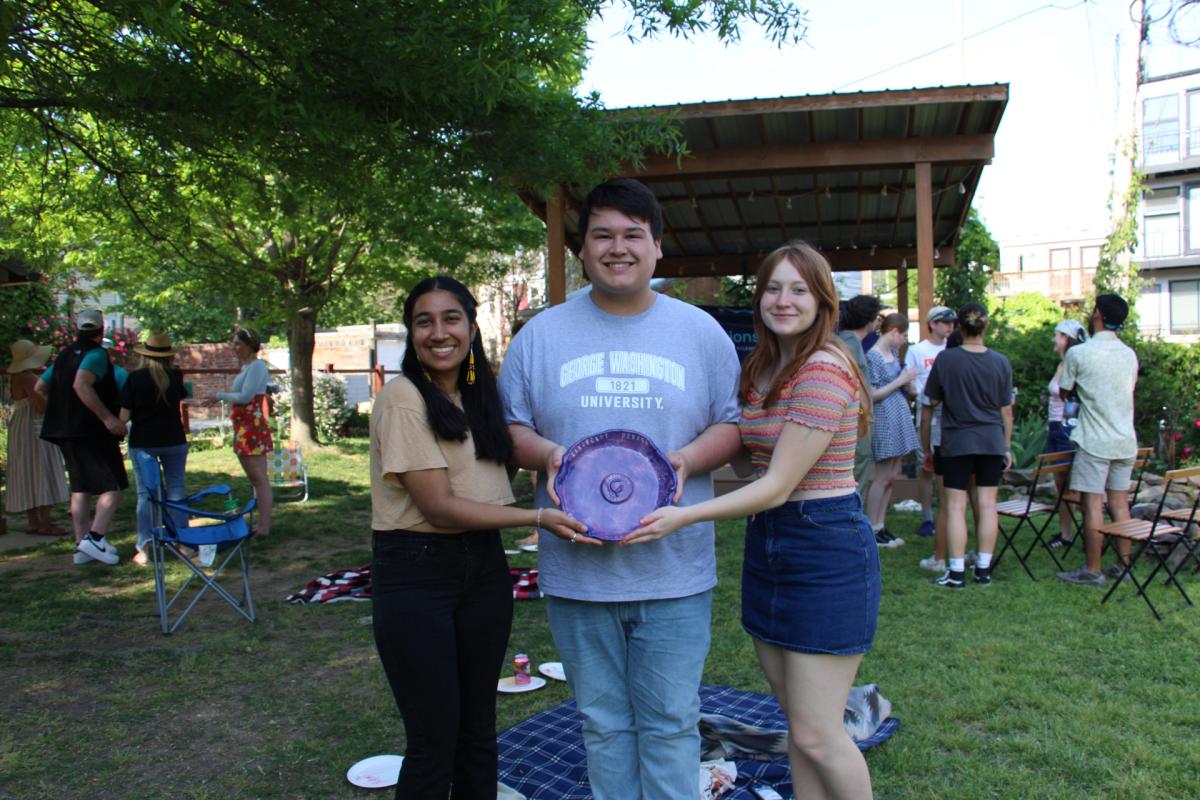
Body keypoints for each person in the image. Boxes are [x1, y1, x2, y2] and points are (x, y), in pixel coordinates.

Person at [499, 177, 742, 800]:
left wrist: (685, 460)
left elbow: (734, 423)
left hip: (676, 570)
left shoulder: (700, 333)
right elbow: (510, 428)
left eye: (634, 235)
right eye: (602, 234)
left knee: (669, 723)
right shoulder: (540, 336)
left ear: (657, 247)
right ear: (582, 249)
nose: (618, 247)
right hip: (578, 571)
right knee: (601, 724)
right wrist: (552, 454)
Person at [631, 241, 880, 800]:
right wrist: (675, 461)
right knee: (801, 726)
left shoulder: (823, 369)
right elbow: (747, 463)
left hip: (825, 547)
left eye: (799, 289)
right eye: (773, 288)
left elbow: (775, 485)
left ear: (822, 300)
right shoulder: (764, 369)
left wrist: (683, 515)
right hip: (771, 544)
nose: (784, 300)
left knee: (820, 734)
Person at [370, 275, 587, 799]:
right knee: (433, 740)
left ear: (471, 328)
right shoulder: (404, 397)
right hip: (417, 572)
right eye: (424, 321)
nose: (438, 332)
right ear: (410, 332)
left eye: (451, 319)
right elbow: (441, 509)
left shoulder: (479, 394)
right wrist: (538, 520)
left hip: (483, 567)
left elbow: (496, 477)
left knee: (478, 732)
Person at [923, 303, 1013, 589]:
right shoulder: (1001, 362)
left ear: (959, 327)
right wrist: (1007, 446)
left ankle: (957, 571)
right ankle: (983, 569)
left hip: (956, 441)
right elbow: (1006, 411)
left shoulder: (946, 360)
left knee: (955, 506)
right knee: (988, 505)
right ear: (985, 326)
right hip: (991, 441)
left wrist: (926, 446)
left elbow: (930, 404)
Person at [1055, 295, 1138, 588]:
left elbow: (1064, 393)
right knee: (1119, 501)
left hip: (1095, 441)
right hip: (1125, 439)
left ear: (1098, 315)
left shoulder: (1080, 353)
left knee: (1092, 505)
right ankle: (1123, 565)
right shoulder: (1129, 354)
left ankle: (1093, 569)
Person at [36, 309, 128, 566]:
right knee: (115, 485)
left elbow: (40, 388)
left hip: (64, 432)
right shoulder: (96, 354)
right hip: (90, 431)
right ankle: (95, 537)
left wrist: (62, 410)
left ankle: (81, 548)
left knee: (80, 487)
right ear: (101, 331)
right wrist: (108, 419)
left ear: (77, 329)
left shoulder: (65, 355)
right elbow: (81, 383)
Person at [119, 332, 189, 566]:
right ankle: (184, 543)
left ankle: (145, 547)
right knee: (176, 489)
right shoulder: (176, 376)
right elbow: (181, 398)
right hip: (174, 439)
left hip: (144, 442)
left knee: (146, 494)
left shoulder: (135, 379)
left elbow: (124, 415)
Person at [865, 313, 919, 547]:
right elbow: (872, 394)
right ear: (894, 332)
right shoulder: (873, 357)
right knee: (881, 476)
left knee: (892, 475)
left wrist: (908, 383)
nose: (905, 340)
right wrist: (900, 381)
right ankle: (870, 526)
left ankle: (881, 524)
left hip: (898, 414)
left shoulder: (894, 353)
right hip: (884, 417)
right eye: (904, 335)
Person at [5, 339, 69, 535]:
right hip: (34, 427)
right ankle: (45, 522)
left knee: (25, 471)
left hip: (20, 426)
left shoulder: (14, 378)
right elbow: (41, 406)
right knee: (42, 468)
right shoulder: (29, 378)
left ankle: (33, 521)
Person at [215, 327, 273, 537]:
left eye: (238, 343)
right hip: (244, 426)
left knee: (259, 478)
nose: (234, 347)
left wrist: (220, 395)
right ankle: (261, 523)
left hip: (251, 426)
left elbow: (246, 396)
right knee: (255, 479)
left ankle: (264, 526)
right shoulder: (247, 367)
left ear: (249, 346)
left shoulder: (256, 366)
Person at [905, 306, 957, 538]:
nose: (950, 326)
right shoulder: (917, 350)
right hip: (928, 417)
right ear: (932, 324)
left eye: (952, 322)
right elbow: (910, 381)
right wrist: (922, 394)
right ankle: (927, 518)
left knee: (947, 471)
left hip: (952, 417)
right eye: (945, 322)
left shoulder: (954, 349)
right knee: (926, 468)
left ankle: (948, 516)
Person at [1044, 320, 1088, 550]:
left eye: (1057, 335)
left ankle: (1080, 531)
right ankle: (1065, 533)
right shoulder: (1062, 364)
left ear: (1067, 339)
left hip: (1066, 428)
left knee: (1070, 483)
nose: (1054, 339)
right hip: (1055, 426)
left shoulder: (1074, 363)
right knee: (1060, 483)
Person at [838, 295, 882, 502]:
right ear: (870, 320)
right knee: (856, 478)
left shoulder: (849, 341)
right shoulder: (849, 344)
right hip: (855, 424)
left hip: (857, 422)